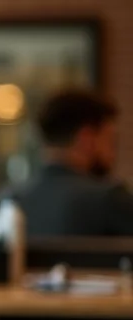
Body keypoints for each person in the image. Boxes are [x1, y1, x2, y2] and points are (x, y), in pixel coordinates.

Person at [13, 89, 133, 237]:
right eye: (111, 141)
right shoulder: (110, 200)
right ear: (86, 138)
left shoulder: (10, 201)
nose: (113, 155)